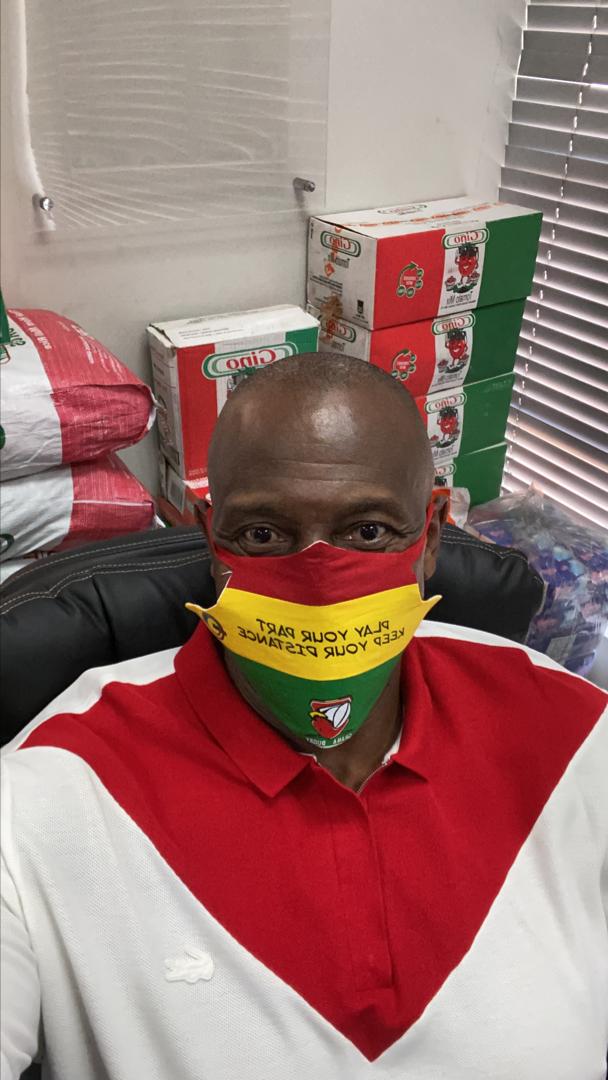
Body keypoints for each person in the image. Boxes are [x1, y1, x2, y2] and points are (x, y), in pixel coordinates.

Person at [1, 354, 606, 1080]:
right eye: (263, 534)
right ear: (212, 540)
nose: (320, 580)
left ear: (431, 539)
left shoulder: (570, 729)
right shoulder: (47, 790)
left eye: (369, 531)